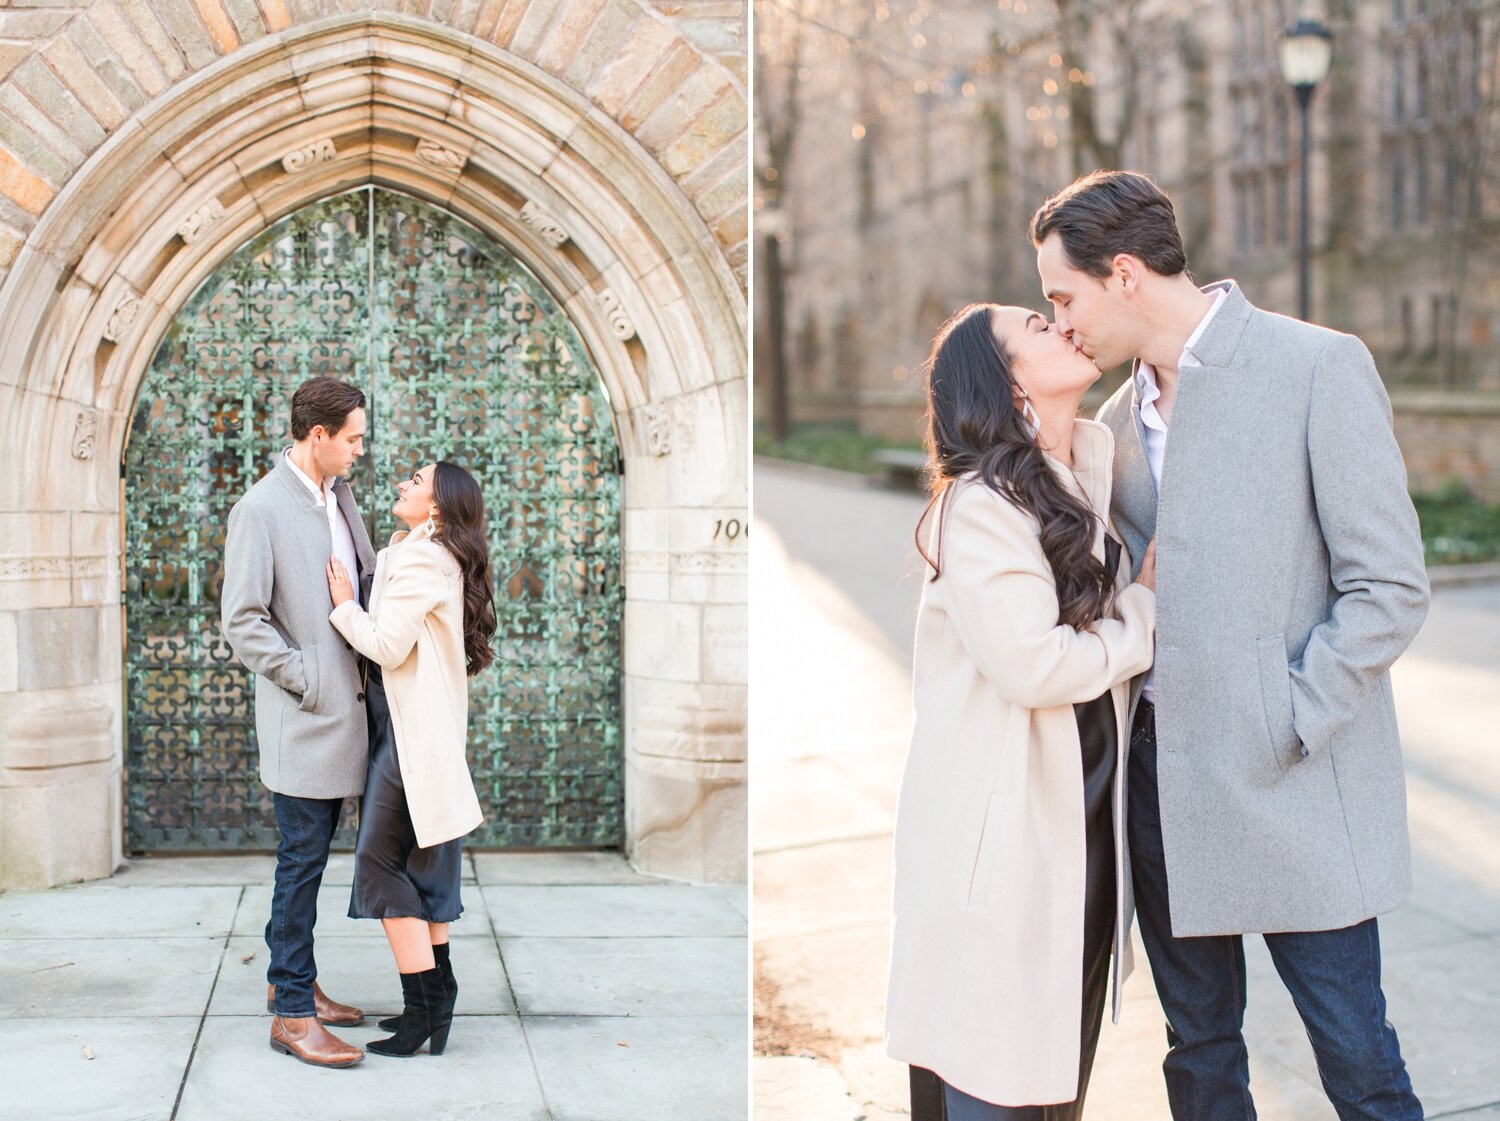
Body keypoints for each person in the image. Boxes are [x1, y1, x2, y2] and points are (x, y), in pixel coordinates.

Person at [1031, 169, 1430, 1120]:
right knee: (1200, 1054)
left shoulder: (1315, 367)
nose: (1060, 321)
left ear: (1123, 273)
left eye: (1064, 296)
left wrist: (1291, 714)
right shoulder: (1116, 427)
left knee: (1358, 1059)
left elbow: (1389, 585)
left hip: (1294, 774)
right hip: (1163, 787)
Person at [885, 301, 1158, 1119]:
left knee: (1050, 1080)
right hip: (1001, 844)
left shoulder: (1078, 479)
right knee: (996, 1078)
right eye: (1037, 327)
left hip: (1079, 829)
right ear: (1007, 379)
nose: (1060, 325)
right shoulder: (979, 506)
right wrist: (1145, 608)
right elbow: (1034, 664)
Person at [221, 376, 376, 1069]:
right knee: (301, 860)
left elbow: (361, 580)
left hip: (351, 712)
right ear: (318, 436)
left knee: (311, 863)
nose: (360, 451)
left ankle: (300, 982)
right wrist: (307, 677)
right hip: (305, 719)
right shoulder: (260, 508)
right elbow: (242, 622)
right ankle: (290, 1010)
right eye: (353, 438)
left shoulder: (338, 494)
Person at [325, 460, 497, 1058]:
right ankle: (434, 1002)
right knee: (424, 865)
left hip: (408, 737)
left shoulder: (424, 558)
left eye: (416, 481)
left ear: (438, 508)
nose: (403, 483)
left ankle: (424, 1007)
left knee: (378, 864)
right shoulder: (426, 553)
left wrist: (345, 606)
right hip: (425, 733)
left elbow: (387, 645)